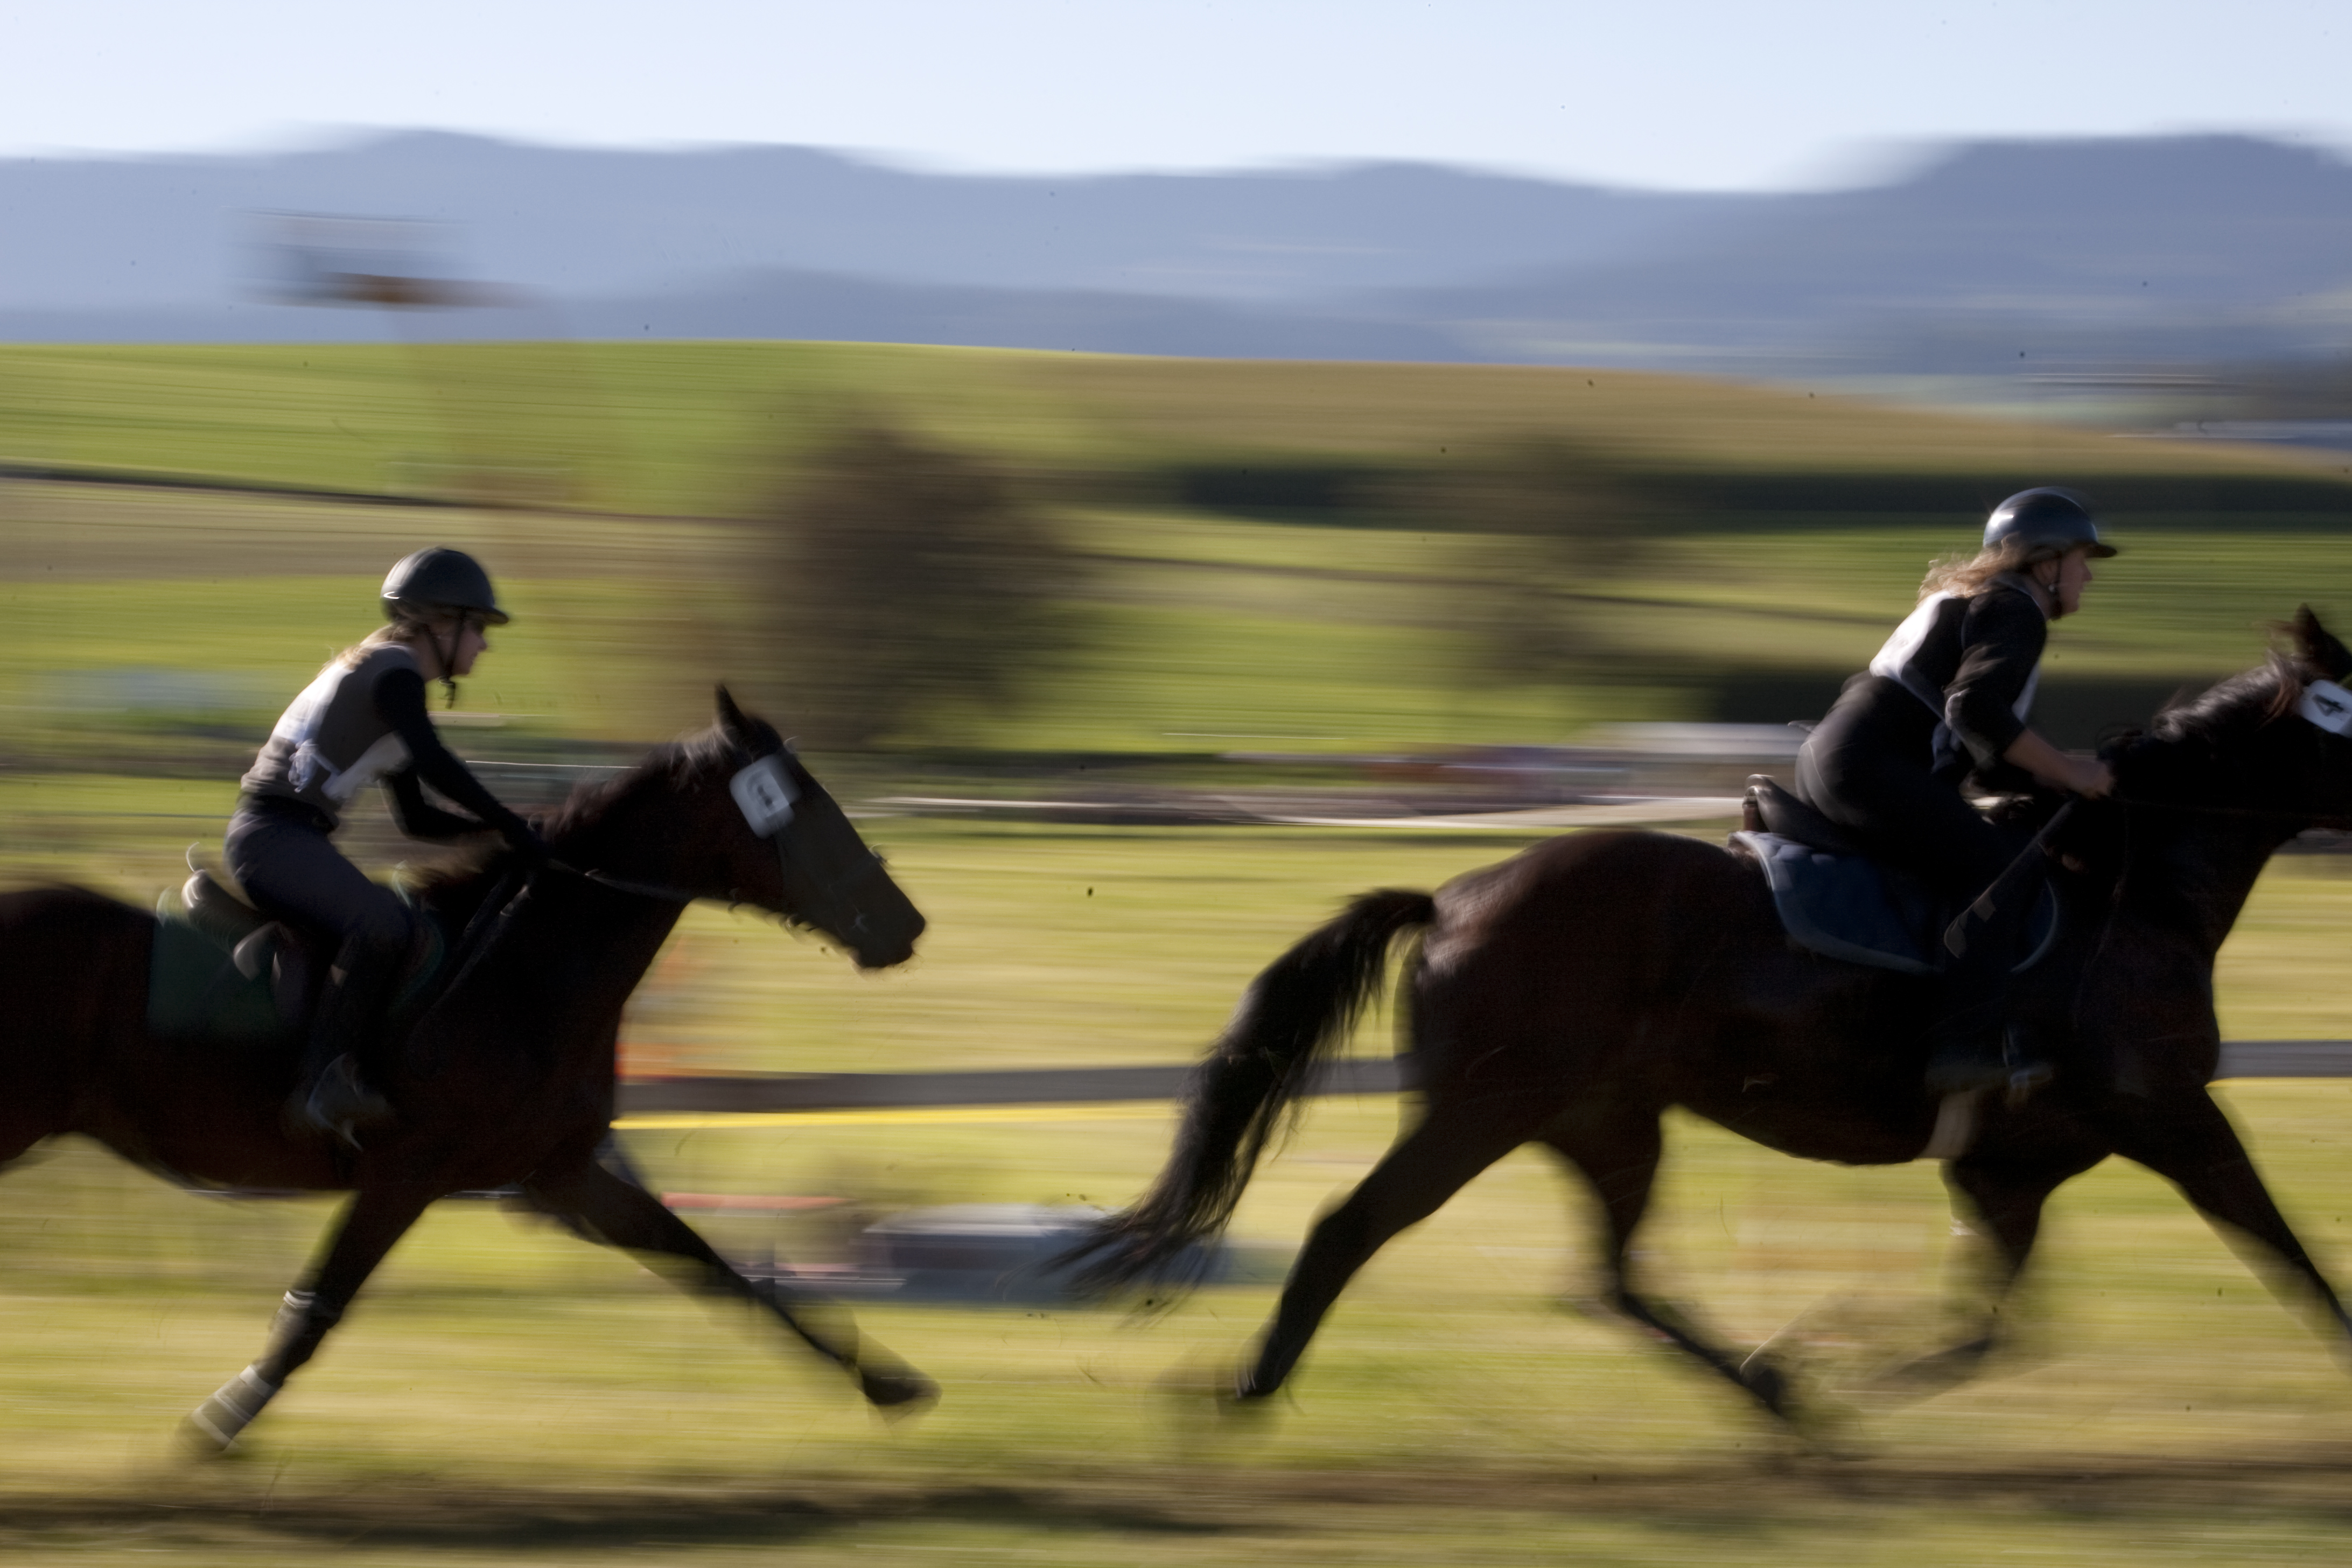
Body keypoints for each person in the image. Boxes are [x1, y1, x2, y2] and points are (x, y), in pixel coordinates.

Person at [1795, 488, 2117, 1096]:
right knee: (2002, 870)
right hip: (1870, 768)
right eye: (2081, 560)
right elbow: (1973, 709)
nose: (2089, 576)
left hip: (1834, 760)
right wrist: (2068, 770)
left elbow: (1983, 745)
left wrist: (2054, 772)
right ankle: (1963, 1047)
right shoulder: (2016, 608)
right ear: (2047, 563)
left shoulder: (1977, 600)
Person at [226, 547, 550, 1145]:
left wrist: (502, 832)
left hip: (279, 837)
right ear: (440, 623)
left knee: (391, 922)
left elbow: (417, 819)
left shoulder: (383, 674)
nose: (484, 644)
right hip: (274, 839)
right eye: (477, 627)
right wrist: (509, 821)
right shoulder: (396, 674)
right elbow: (436, 762)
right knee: (385, 926)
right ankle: (321, 1082)